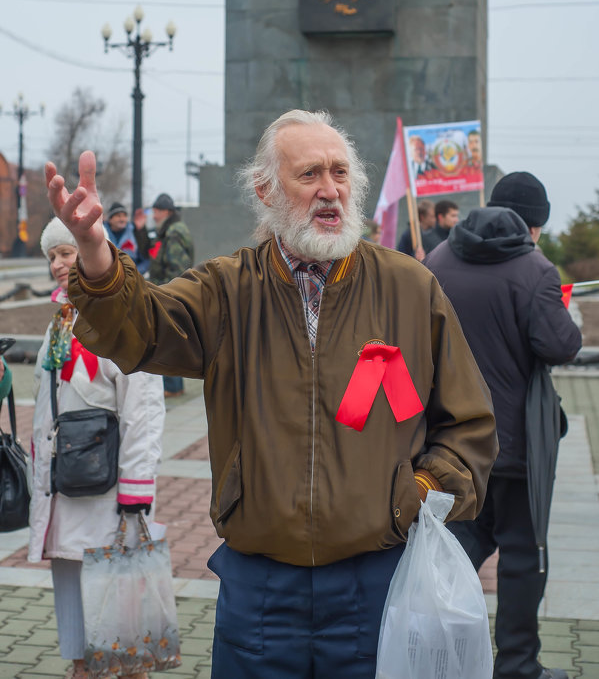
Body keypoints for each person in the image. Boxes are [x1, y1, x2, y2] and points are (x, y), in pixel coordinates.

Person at [46, 109, 497, 679]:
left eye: (340, 173)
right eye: (310, 174)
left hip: (378, 576)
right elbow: (143, 329)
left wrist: (417, 493)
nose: (330, 190)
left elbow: (470, 426)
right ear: (265, 189)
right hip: (258, 586)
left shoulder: (410, 288)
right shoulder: (227, 288)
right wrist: (94, 255)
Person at [425, 172, 582, 679]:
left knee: (456, 547)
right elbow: (561, 345)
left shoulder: (438, 260)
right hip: (514, 446)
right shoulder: (536, 270)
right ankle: (516, 664)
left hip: (449, 442)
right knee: (522, 552)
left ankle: (433, 653)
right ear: (535, 225)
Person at [28, 217, 166, 679]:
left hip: (108, 490)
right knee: (71, 584)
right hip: (65, 486)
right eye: (52, 256)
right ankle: (80, 667)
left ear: (91, 253)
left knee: (118, 609)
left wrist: (136, 489)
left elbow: (143, 408)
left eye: (67, 252)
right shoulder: (61, 321)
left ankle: (116, 669)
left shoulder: (125, 317)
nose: (58, 264)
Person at [135, 193, 194, 398]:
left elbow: (177, 267)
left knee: (167, 338)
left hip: (170, 294)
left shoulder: (174, 232)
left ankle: (173, 386)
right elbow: (150, 254)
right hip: (165, 292)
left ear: (166, 211)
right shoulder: (166, 230)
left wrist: (167, 295)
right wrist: (141, 230)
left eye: (156, 211)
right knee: (165, 338)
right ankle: (172, 385)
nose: (154, 215)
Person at [102, 201, 147, 273]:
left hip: (130, 280)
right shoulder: (102, 233)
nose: (122, 219)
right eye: (118, 216)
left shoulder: (134, 232)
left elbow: (145, 260)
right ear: (110, 219)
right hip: (107, 279)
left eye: (124, 216)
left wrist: (134, 274)